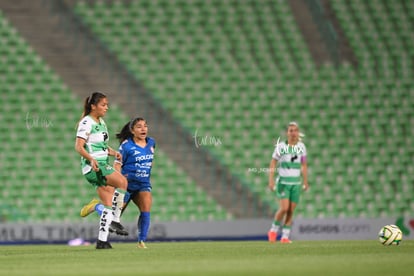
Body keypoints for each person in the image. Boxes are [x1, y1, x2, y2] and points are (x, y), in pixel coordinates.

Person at [80, 117, 156, 249]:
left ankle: (141, 241)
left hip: (143, 183)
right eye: (139, 126)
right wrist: (118, 181)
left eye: (145, 126)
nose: (143, 129)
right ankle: (95, 207)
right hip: (126, 185)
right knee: (113, 216)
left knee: (146, 210)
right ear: (132, 131)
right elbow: (117, 163)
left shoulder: (151, 143)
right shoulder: (126, 146)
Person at [75, 92, 129, 249]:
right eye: (103, 104)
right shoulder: (87, 122)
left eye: (107, 104)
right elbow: (78, 146)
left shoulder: (102, 122)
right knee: (122, 182)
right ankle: (115, 220)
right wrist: (91, 159)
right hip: (94, 166)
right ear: (93, 106)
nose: (106, 107)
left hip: (101, 163)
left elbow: (102, 147)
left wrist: (114, 152)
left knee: (108, 205)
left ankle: (102, 241)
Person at [267, 122, 308, 243]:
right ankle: (273, 230)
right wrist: (271, 180)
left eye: (295, 130)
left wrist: (305, 181)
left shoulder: (302, 147)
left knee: (291, 210)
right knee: (284, 208)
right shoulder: (280, 147)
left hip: (296, 183)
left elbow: (304, 164)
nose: (293, 133)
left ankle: (285, 236)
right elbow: (273, 162)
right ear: (287, 133)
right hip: (283, 183)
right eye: (291, 130)